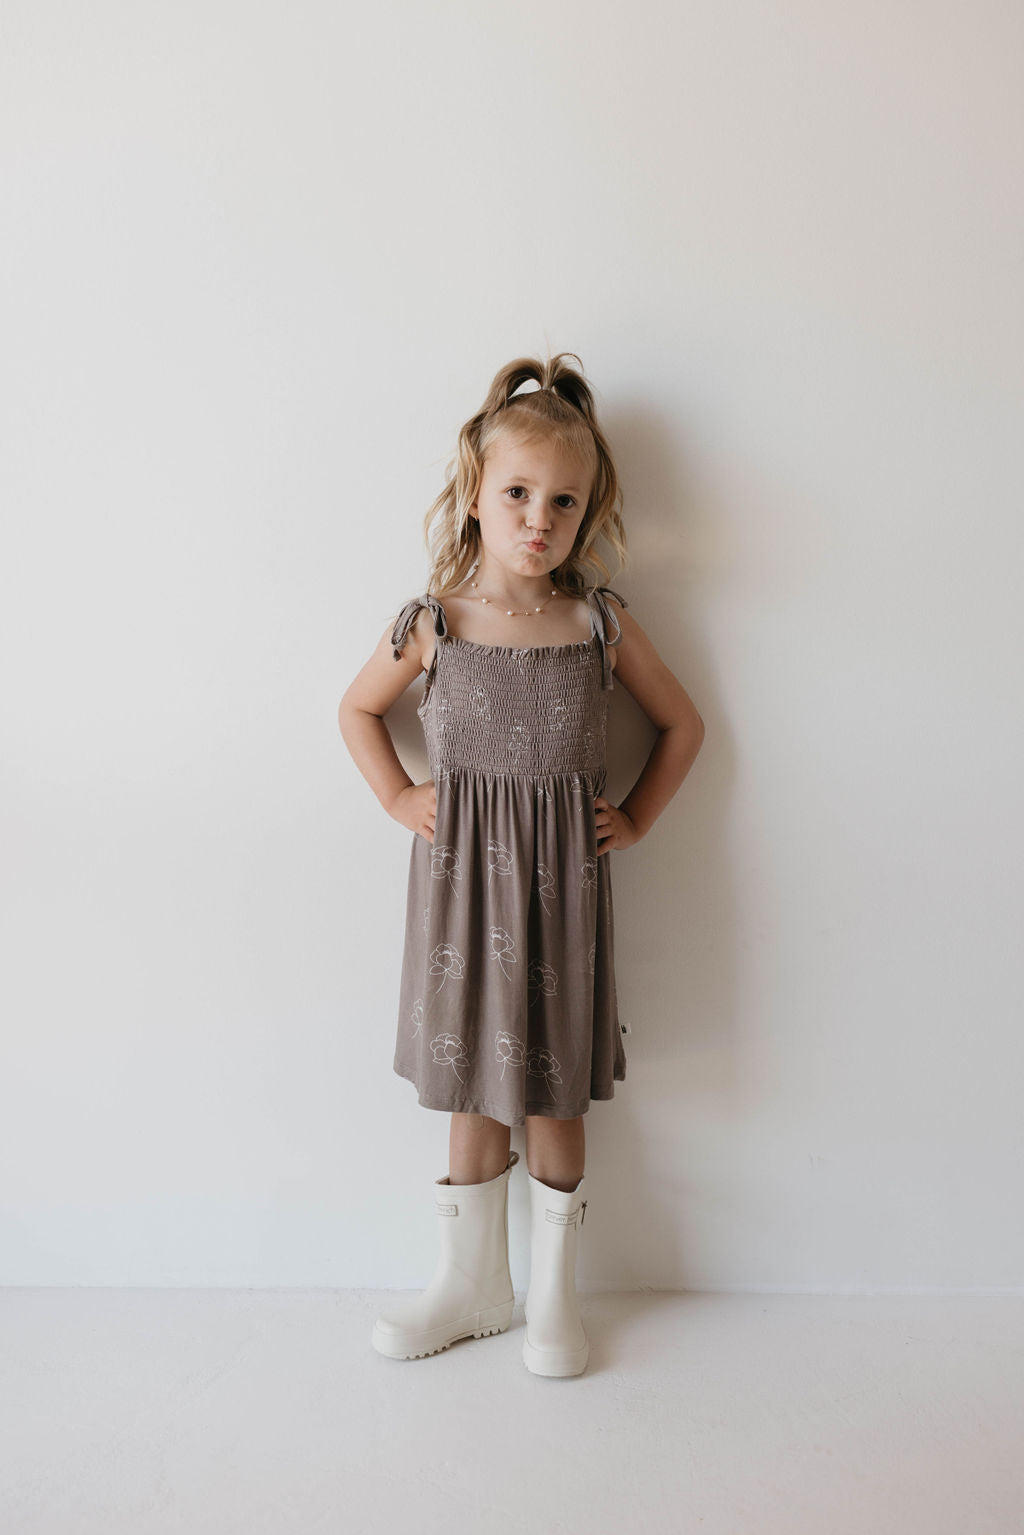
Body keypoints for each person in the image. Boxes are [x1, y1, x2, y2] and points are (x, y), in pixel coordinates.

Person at [338, 352, 705, 1376]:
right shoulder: (434, 624)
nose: (538, 517)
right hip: (462, 900)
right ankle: (470, 1286)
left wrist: (632, 816)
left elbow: (682, 724)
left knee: (550, 1091)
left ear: (586, 515)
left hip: (562, 902)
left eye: (562, 501)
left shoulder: (597, 623)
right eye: (516, 493)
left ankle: (550, 1295)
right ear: (474, 494)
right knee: (468, 1088)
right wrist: (397, 793)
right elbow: (355, 709)